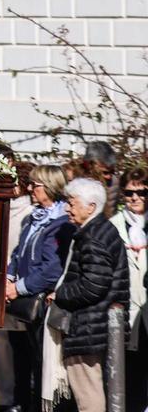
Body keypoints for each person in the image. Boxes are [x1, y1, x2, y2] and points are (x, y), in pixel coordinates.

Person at [46, 177, 130, 412]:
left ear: (91, 207)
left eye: (72, 203)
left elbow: (93, 285)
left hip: (88, 327)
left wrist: (60, 294)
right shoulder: (99, 230)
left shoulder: (93, 236)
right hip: (96, 326)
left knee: (88, 395)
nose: (67, 208)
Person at [0, 162, 62, 412]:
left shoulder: (60, 221)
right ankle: (21, 403)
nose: (30, 188)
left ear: (51, 187)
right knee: (19, 357)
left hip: (41, 303)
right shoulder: (32, 218)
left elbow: (51, 268)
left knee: (40, 364)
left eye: (36, 185)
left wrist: (19, 288)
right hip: (20, 302)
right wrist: (9, 277)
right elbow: (19, 254)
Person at [112, 167, 147, 411]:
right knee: (131, 372)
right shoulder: (114, 225)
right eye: (128, 192)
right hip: (127, 311)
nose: (135, 198)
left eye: (141, 192)